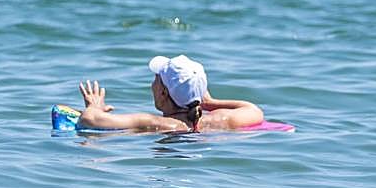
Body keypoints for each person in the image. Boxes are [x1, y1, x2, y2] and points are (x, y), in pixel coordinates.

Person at [77, 55, 263, 132]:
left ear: (164, 92)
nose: (152, 85)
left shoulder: (156, 123)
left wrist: (94, 107)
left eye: (156, 80)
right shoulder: (219, 120)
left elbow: (90, 120)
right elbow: (253, 110)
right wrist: (210, 102)